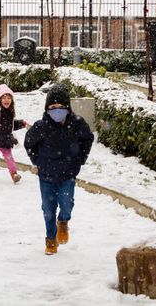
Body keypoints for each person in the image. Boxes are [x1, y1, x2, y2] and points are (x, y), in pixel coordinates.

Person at [24, 83, 94, 255]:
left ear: (68, 108)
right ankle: (50, 240)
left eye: (60, 107)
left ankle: (63, 221)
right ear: (47, 108)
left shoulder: (77, 123)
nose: (56, 110)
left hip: (67, 175)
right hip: (46, 176)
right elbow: (29, 143)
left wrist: (80, 159)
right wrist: (37, 161)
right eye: (52, 107)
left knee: (67, 204)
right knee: (48, 209)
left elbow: (88, 139)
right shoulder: (41, 126)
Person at [0, 84, 27, 184]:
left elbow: (10, 125)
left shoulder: (10, 112)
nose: (6, 100)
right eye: (4, 98)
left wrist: (19, 124)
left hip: (5, 139)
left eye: (9, 98)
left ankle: (14, 174)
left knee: (9, 157)